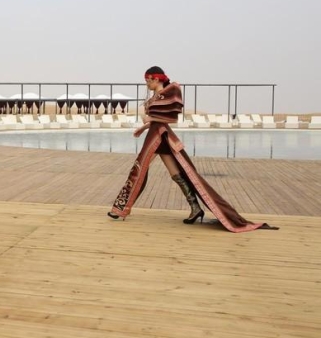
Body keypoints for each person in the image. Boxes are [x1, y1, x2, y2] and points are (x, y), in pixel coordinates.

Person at [108, 66, 276, 232]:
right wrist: (143, 127)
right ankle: (195, 208)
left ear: (156, 79)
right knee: (175, 173)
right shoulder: (156, 96)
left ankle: (120, 208)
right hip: (156, 135)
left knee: (139, 169)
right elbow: (156, 119)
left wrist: (149, 118)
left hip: (158, 137)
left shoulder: (166, 94)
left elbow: (170, 118)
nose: (146, 84)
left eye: (148, 80)